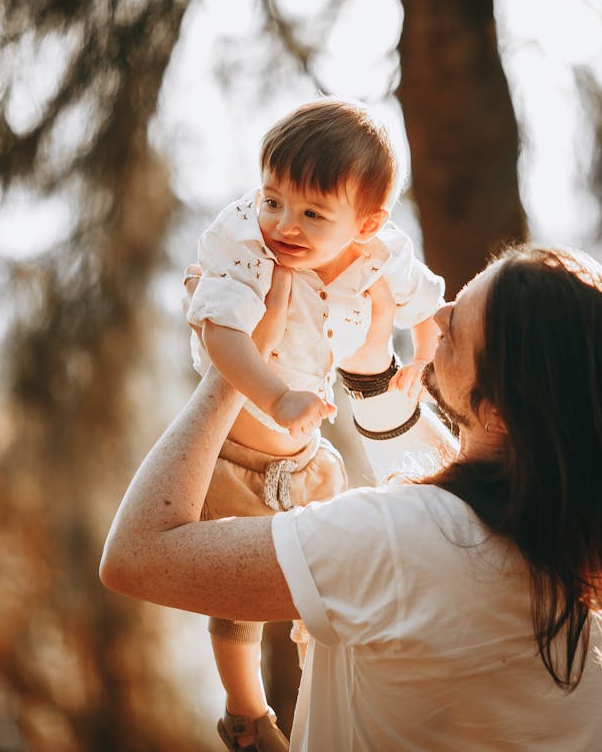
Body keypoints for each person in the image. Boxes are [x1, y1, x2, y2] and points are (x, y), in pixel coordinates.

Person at [102, 244, 602, 750]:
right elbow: (453, 504)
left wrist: (235, 360)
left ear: (506, 410)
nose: (443, 309)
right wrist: (373, 367)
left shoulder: (404, 541)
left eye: (456, 327)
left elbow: (137, 554)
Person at [181, 98, 446, 749]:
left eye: (312, 213)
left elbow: (424, 298)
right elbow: (222, 338)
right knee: (238, 596)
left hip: (305, 458)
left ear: (366, 225)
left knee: (325, 586)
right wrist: (276, 397)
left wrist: (425, 352)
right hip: (239, 454)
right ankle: (245, 710)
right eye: (274, 198)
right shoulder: (248, 245)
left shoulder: (380, 255)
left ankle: (326, 705)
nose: (284, 224)